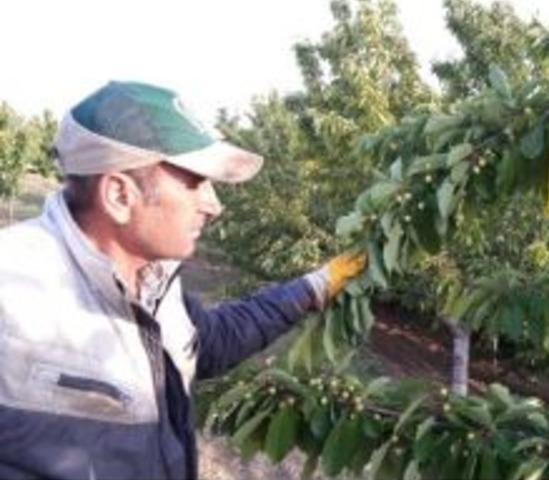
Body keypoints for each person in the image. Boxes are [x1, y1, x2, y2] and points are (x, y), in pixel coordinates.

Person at [0, 81, 366, 479]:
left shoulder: (155, 285)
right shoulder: (12, 288)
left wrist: (315, 286)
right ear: (120, 195)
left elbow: (210, 341)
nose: (215, 205)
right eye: (194, 182)